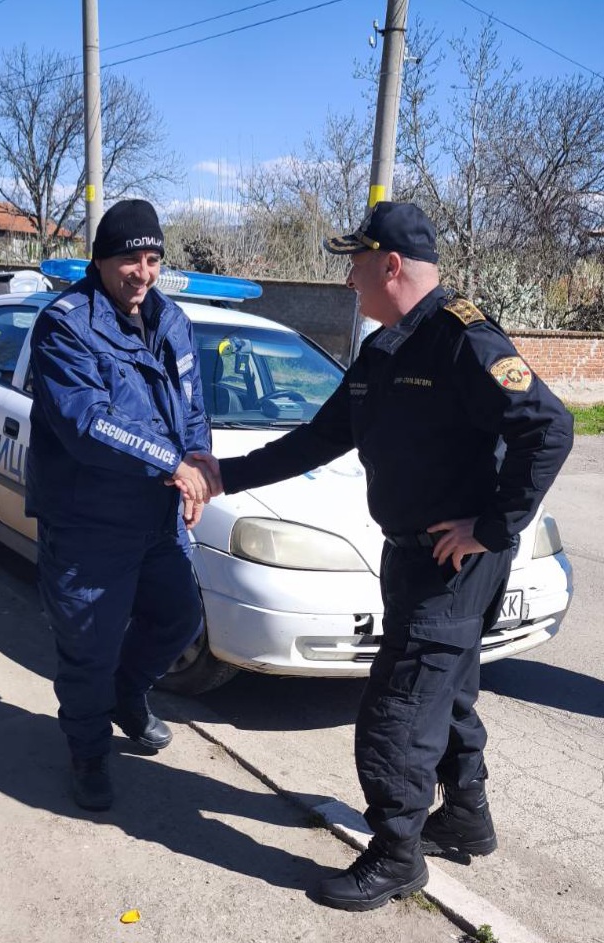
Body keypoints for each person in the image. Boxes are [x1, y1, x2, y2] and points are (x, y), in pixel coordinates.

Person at [193, 202, 573, 910]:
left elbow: (548, 429)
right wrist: (223, 475)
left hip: (452, 564)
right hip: (409, 557)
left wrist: (493, 527)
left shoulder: (464, 340)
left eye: (356, 264)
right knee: (445, 690)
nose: (348, 280)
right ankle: (466, 813)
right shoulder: (385, 350)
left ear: (391, 265)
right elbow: (317, 440)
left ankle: (397, 855)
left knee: (397, 708)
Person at [26, 199, 215, 811]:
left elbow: (192, 406)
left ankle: (126, 697)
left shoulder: (172, 320)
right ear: (101, 260)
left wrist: (198, 466)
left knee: (179, 619)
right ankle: (87, 752)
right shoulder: (65, 325)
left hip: (156, 518)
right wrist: (173, 465)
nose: (144, 272)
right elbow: (89, 424)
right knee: (89, 648)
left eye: (154, 258)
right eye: (131, 259)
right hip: (89, 524)